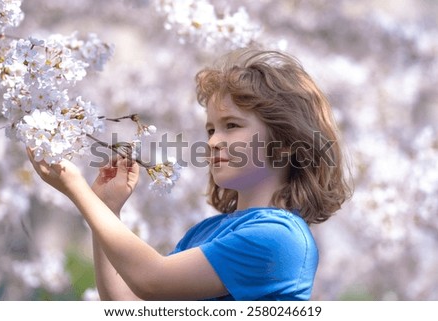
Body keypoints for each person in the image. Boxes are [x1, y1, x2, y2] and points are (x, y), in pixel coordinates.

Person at [27, 47, 352, 301]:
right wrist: (107, 209)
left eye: (231, 126)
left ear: (283, 144)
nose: (213, 141)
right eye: (210, 128)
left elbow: (152, 279)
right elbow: (129, 305)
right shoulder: (206, 232)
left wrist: (76, 190)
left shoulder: (280, 237)